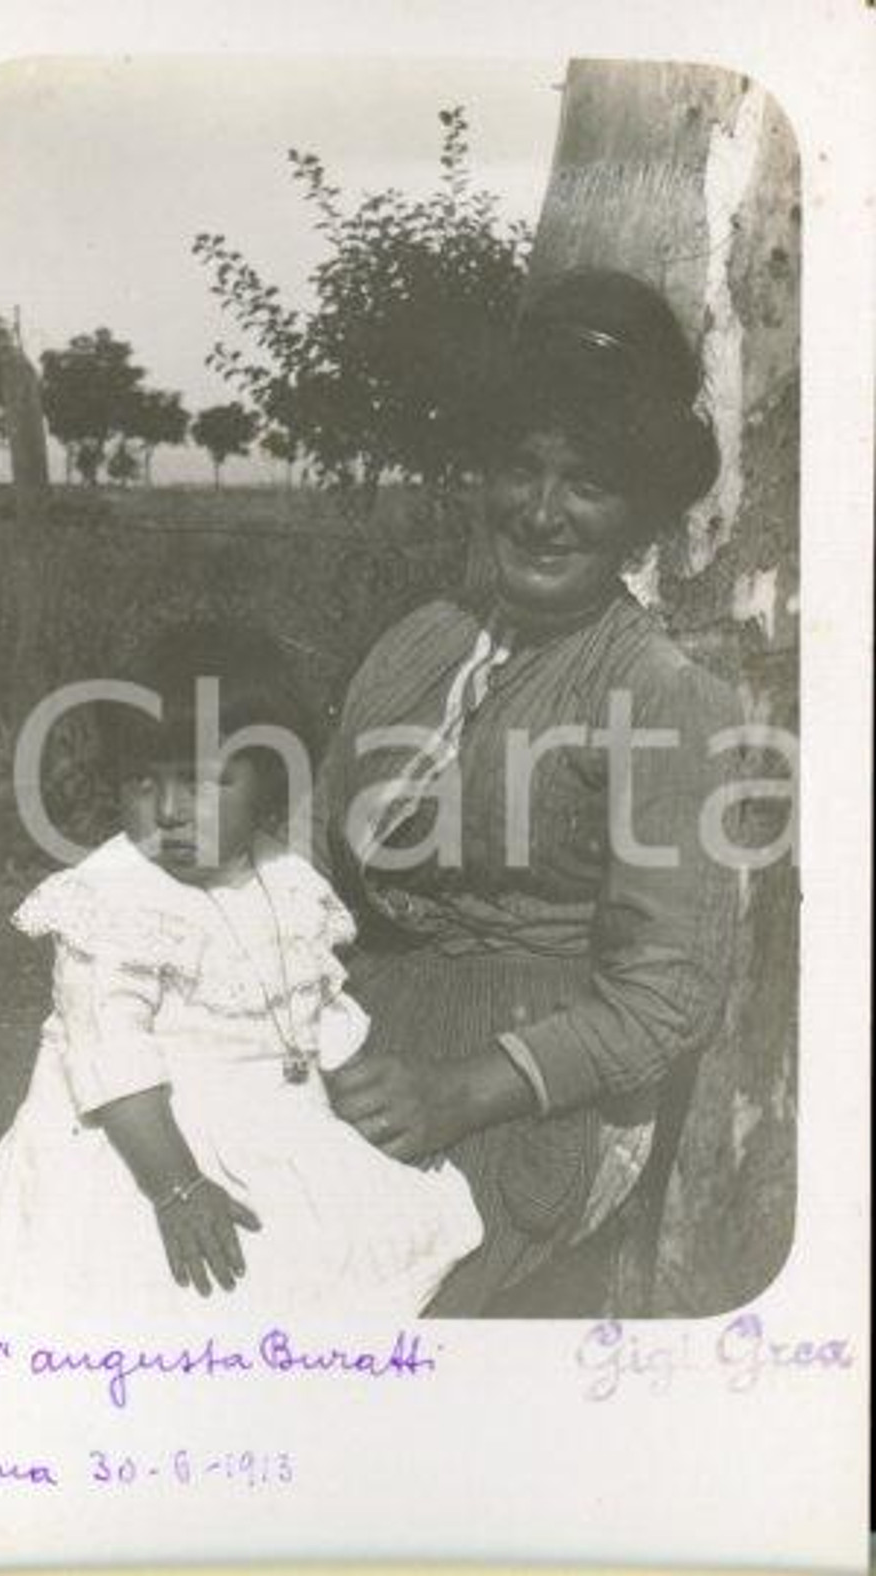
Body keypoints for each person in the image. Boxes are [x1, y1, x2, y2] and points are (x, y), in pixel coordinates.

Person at [314, 268, 742, 1316]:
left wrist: (456, 1091)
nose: (542, 512)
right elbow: (311, 869)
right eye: (520, 468)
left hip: (522, 1098)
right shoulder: (417, 644)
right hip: (358, 1046)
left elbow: (668, 994)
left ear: (639, 511)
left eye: (586, 482)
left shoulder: (660, 692)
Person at [0, 625, 483, 1327]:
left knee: (349, 1252)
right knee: (175, 1298)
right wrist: (176, 1189)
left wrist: (364, 1099)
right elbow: (110, 1058)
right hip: (145, 1143)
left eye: (200, 783)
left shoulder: (285, 881)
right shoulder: (115, 899)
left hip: (272, 1123)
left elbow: (316, 1006)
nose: (169, 812)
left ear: (268, 788)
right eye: (144, 781)